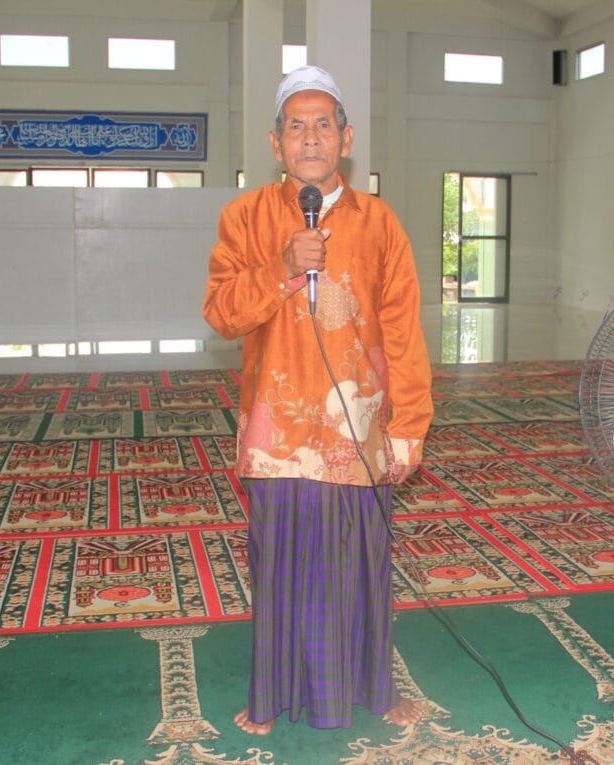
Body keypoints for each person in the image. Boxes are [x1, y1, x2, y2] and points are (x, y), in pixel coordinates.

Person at [202, 65, 433, 735]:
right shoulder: (243, 217)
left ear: (346, 138)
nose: (310, 138)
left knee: (360, 564)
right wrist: (281, 266)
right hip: (277, 431)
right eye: (296, 126)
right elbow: (220, 312)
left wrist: (410, 423)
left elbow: (403, 328)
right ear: (276, 143)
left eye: (322, 124)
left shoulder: (380, 222)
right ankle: (271, 694)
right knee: (278, 566)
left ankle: (372, 691)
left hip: (355, 428)